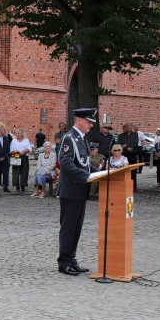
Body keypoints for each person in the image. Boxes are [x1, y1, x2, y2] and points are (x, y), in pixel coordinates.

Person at [57, 108, 100, 276]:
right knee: (68, 228)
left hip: (80, 189)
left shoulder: (82, 138)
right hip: (70, 189)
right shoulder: (69, 138)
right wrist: (87, 175)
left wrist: (100, 172)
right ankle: (64, 262)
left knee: (76, 228)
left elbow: (84, 163)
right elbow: (66, 164)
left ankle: (71, 259)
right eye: (89, 122)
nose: (91, 125)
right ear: (79, 121)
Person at [116, 123, 139, 190]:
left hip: (132, 154)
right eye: (127, 126)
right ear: (125, 127)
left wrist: (126, 145)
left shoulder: (135, 135)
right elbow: (119, 144)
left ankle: (133, 187)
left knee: (133, 170)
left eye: (129, 126)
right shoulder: (121, 136)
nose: (128, 127)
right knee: (124, 170)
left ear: (132, 127)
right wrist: (126, 147)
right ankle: (123, 185)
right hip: (124, 154)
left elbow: (135, 143)